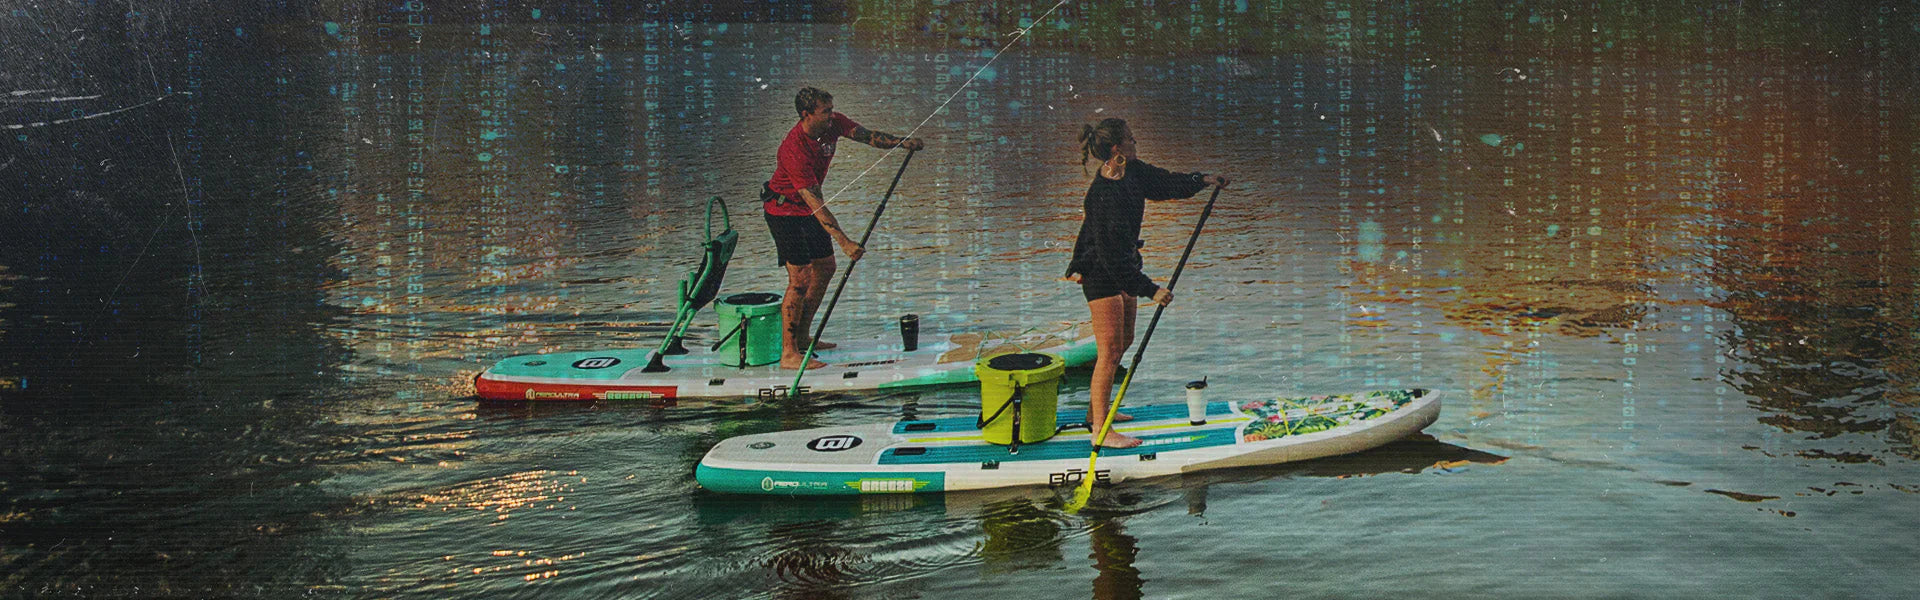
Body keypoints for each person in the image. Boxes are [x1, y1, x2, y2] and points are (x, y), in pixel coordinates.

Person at [1066, 118, 1227, 448]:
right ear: (1117, 149)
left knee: (1123, 341)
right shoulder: (1101, 196)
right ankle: (1100, 430)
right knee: (1109, 351)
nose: (1136, 142)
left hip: (1124, 266)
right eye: (1131, 139)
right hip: (1100, 271)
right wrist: (1151, 289)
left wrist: (1204, 180)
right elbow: (1110, 258)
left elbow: (1167, 184)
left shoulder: (1134, 172)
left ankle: (1095, 412)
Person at [763, 87, 925, 370]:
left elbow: (867, 135)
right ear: (806, 114)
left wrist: (902, 143)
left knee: (825, 267)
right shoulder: (793, 150)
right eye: (825, 112)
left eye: (831, 110)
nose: (831, 116)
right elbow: (815, 203)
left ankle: (803, 337)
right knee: (800, 278)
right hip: (784, 211)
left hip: (806, 209)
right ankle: (788, 354)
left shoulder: (833, 123)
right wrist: (845, 241)